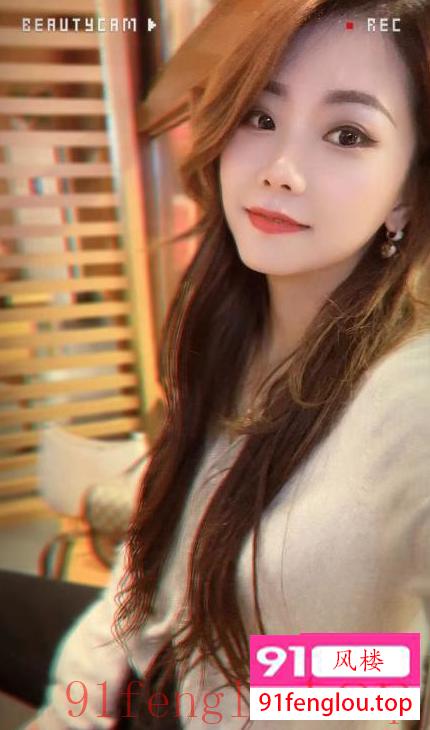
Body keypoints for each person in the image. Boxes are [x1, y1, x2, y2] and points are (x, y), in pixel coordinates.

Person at [17, 0, 430, 727]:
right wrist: (75, 704)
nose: (280, 170)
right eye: (260, 117)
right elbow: (151, 560)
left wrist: (245, 690)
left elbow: (404, 680)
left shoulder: (411, 401)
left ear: (406, 193)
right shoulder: (228, 328)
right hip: (150, 663)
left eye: (347, 133)